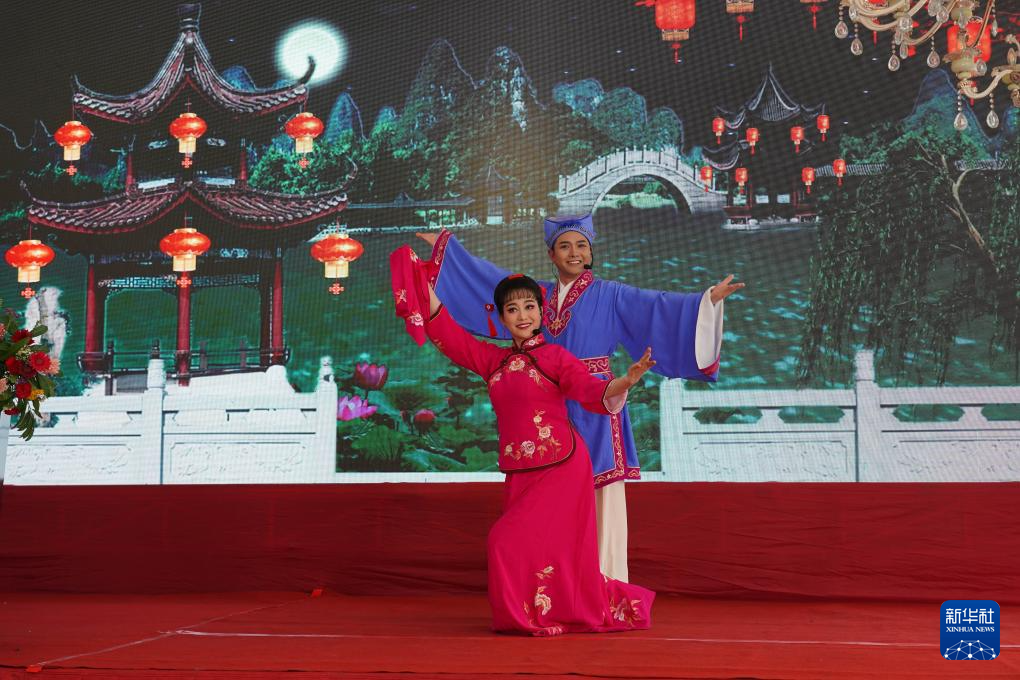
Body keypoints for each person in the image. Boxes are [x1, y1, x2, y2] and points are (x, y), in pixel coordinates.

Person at [417, 214, 744, 581]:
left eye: (581, 246)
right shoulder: (537, 297)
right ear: (551, 254)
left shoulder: (612, 294)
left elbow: (658, 306)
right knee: (550, 504)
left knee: (601, 495)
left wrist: (706, 301)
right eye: (564, 246)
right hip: (548, 405)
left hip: (598, 399)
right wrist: (448, 253)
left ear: (590, 253)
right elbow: (490, 283)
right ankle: (556, 585)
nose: (574, 253)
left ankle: (605, 584)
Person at [391, 245, 655, 635]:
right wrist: (418, 281)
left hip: (562, 468)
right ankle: (545, 611)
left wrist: (625, 381)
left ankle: (530, 616)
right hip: (520, 472)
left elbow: (589, 391)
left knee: (505, 541)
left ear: (541, 313)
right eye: (512, 309)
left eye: (530, 307)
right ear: (501, 318)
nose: (523, 315)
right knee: (538, 549)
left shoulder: (556, 358)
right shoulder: (493, 361)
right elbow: (448, 334)